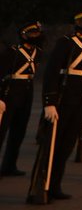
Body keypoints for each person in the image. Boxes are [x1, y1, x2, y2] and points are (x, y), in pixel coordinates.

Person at [27, 7, 82, 204]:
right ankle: (41, 186)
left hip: (78, 101)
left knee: (66, 145)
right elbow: (51, 74)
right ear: (78, 22)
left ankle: (55, 185)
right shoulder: (65, 43)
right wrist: (49, 103)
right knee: (51, 145)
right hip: (62, 100)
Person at [0, 21, 42, 177]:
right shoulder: (12, 52)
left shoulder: (38, 52)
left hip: (26, 93)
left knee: (19, 132)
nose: (36, 36)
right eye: (33, 33)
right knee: (2, 130)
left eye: (37, 33)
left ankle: (9, 165)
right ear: (24, 35)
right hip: (9, 93)